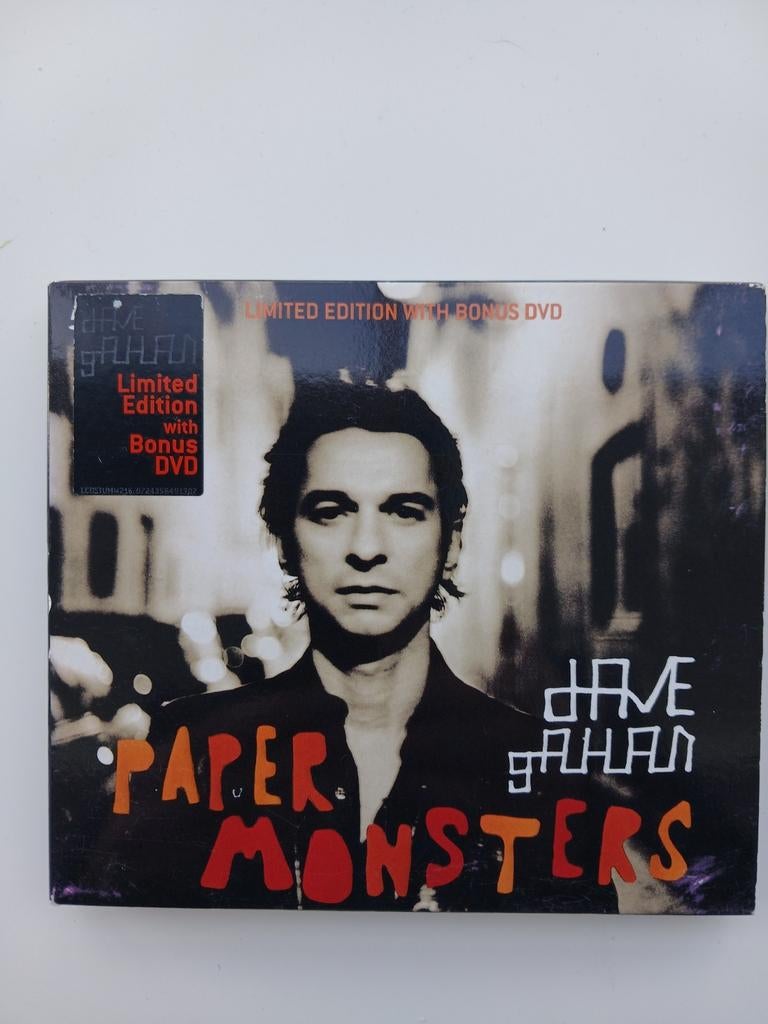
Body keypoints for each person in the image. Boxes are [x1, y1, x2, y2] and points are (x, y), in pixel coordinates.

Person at [105, 381, 617, 911]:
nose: (367, 548)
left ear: (452, 545)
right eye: (331, 511)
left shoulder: (544, 771)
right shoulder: (189, 751)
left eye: (404, 511)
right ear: (285, 544)